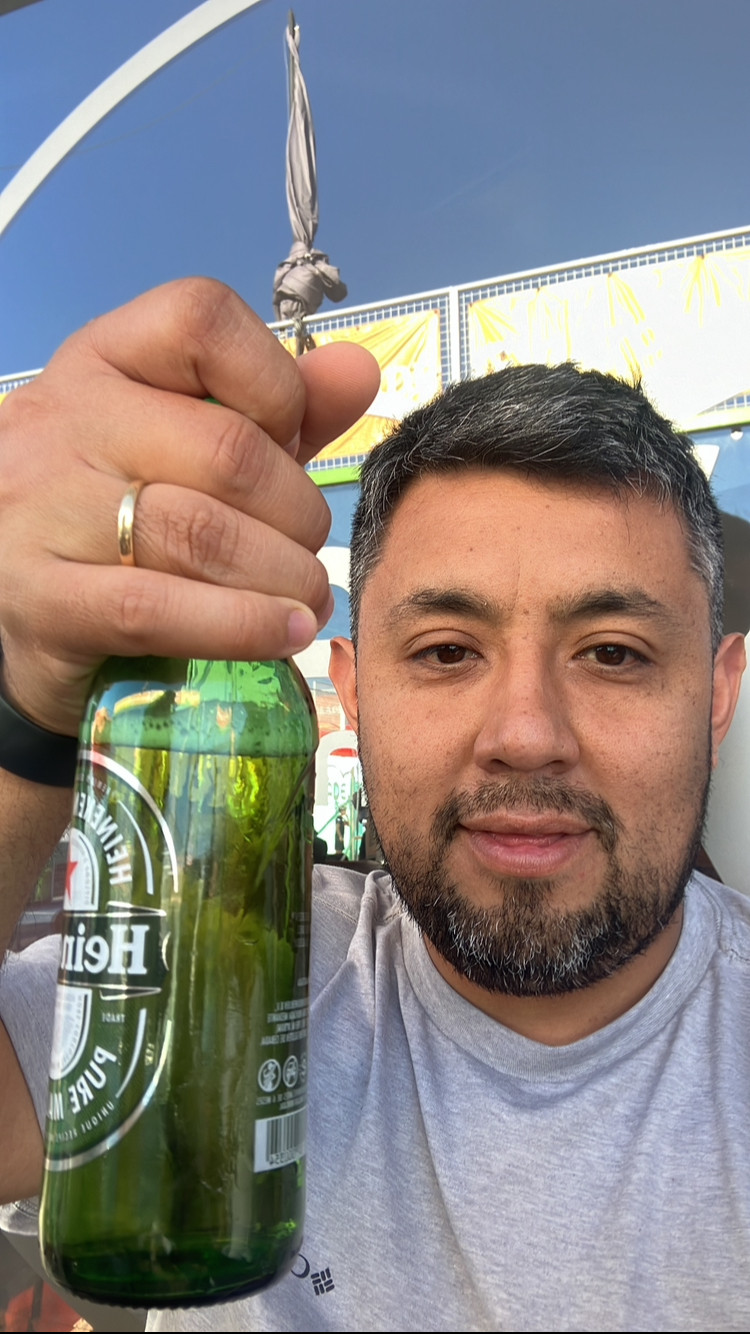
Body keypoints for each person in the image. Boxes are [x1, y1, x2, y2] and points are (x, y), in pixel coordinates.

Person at [0, 278, 748, 1333]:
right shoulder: (237, 958)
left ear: (717, 693)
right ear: (350, 693)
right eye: (445, 651)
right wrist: (23, 712)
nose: (525, 731)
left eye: (614, 653)